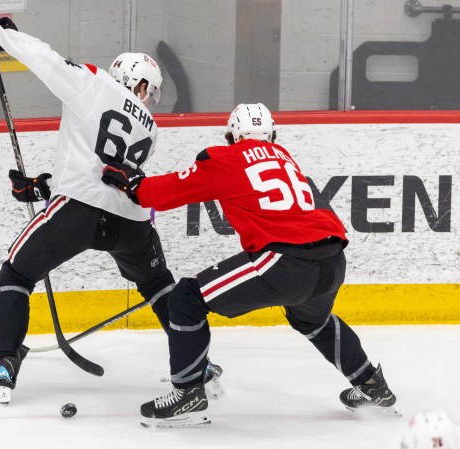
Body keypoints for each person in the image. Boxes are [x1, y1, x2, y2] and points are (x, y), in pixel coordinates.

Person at [0, 17, 221, 404]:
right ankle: (199, 366)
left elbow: (45, 59)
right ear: (141, 83)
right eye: (149, 89)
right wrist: (41, 186)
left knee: (16, 273)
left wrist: (0, 34)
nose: (149, 97)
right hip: (131, 222)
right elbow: (106, 170)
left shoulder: (93, 83)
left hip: (79, 211)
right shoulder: (151, 127)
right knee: (157, 285)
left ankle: (3, 368)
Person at [101, 103, 398, 428]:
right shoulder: (284, 157)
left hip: (285, 262)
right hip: (332, 259)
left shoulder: (223, 158)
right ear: (272, 134)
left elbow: (159, 194)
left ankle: (188, 395)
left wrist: (131, 182)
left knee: (185, 297)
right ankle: (372, 385)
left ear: (232, 135)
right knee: (315, 323)